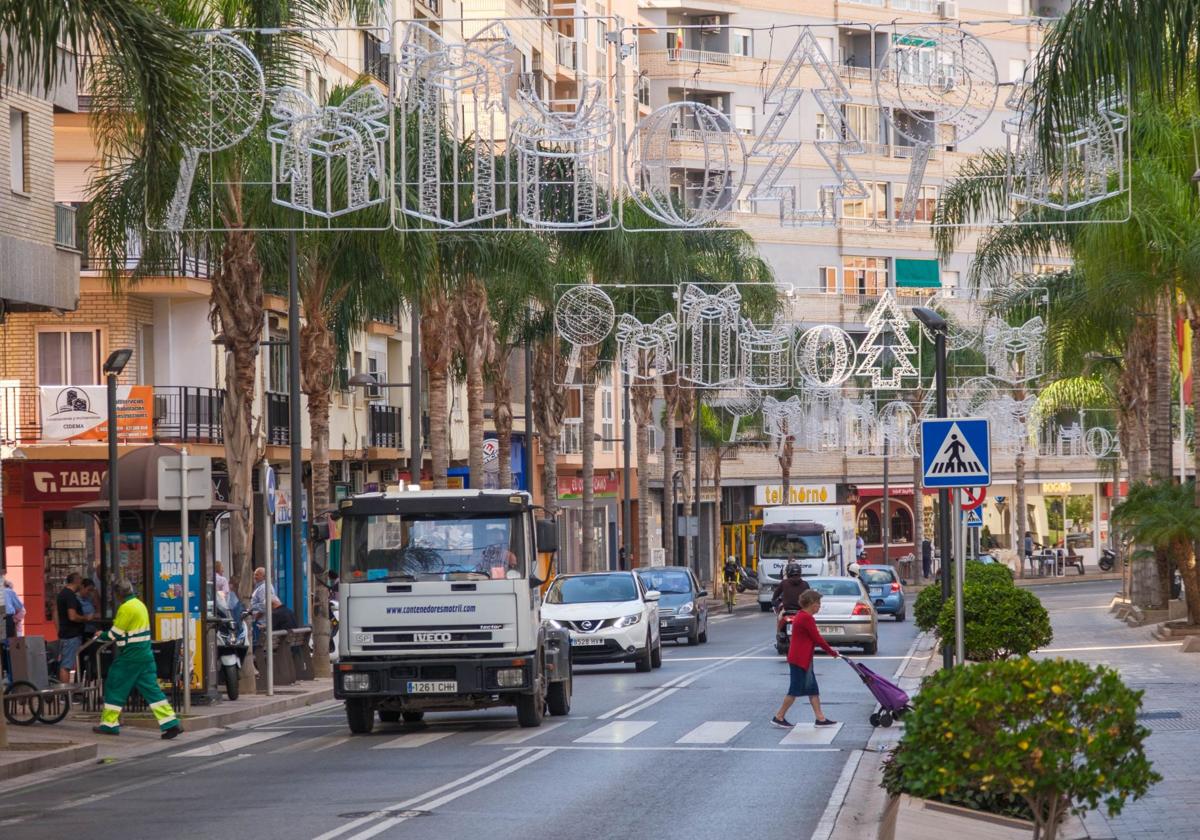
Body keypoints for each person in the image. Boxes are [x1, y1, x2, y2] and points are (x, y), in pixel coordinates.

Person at [92, 579, 182, 740]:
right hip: (145, 655)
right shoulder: (140, 605)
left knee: (114, 685)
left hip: (130, 657)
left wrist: (101, 636)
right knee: (152, 691)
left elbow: (114, 634)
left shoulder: (125, 608)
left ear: (118, 594)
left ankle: (109, 724)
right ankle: (171, 723)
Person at [772, 589, 839, 728]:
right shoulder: (806, 618)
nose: (820, 606)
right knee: (795, 689)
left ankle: (820, 718)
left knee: (812, 688)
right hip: (799, 659)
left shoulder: (801, 616)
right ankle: (779, 716)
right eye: (818, 603)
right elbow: (817, 638)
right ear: (811, 604)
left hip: (803, 658)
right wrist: (832, 652)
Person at [56, 573, 90, 683]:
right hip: (71, 635)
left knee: (68, 664)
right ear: (76, 581)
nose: (82, 583)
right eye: (80, 580)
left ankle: (67, 693)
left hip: (66, 633)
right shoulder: (70, 595)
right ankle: (66, 695)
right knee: (66, 665)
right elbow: (72, 616)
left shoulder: (62, 594)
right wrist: (85, 618)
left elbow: (56, 613)